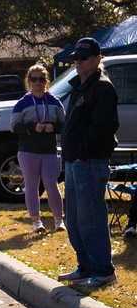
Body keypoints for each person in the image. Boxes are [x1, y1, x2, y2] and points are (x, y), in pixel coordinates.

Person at [57, 37, 119, 291]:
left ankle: (103, 271)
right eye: (76, 58)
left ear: (97, 59)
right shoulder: (79, 86)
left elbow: (104, 128)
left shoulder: (102, 88)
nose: (79, 62)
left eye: (84, 58)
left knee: (90, 218)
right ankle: (86, 267)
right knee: (73, 219)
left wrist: (83, 153)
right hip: (73, 163)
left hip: (89, 163)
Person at [10, 63, 65, 234]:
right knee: (31, 186)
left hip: (49, 150)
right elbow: (14, 127)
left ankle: (59, 220)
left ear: (46, 81)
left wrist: (53, 127)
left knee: (51, 184)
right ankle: (36, 221)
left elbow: (64, 124)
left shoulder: (54, 102)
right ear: (29, 81)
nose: (37, 82)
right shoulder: (22, 103)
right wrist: (31, 127)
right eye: (34, 79)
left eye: (41, 79)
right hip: (28, 150)